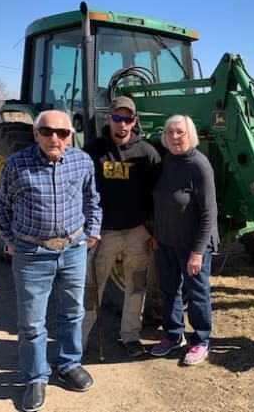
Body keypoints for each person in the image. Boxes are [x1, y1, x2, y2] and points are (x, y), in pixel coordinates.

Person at [0, 110, 102, 412]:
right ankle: (36, 377)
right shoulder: (17, 164)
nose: (55, 138)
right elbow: (0, 204)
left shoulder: (82, 161)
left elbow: (92, 199)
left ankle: (68, 364)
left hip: (73, 250)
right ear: (36, 133)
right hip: (32, 254)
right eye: (48, 131)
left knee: (72, 312)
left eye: (62, 132)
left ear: (70, 135)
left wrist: (92, 231)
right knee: (32, 322)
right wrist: (10, 239)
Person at [81, 96, 161, 358]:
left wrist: (154, 229)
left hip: (137, 233)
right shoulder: (93, 152)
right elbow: (80, 191)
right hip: (103, 234)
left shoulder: (147, 153)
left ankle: (130, 336)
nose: (122, 124)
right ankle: (78, 341)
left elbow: (158, 195)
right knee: (92, 288)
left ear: (134, 121)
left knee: (137, 286)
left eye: (127, 119)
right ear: (108, 118)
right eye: (117, 117)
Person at [150, 114, 219, 366]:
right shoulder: (167, 160)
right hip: (167, 240)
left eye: (180, 132)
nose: (174, 137)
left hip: (192, 244)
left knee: (197, 292)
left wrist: (198, 252)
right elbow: (162, 201)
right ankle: (172, 334)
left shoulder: (199, 165)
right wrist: (158, 234)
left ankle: (200, 340)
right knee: (169, 289)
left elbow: (210, 212)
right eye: (170, 132)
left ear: (191, 135)